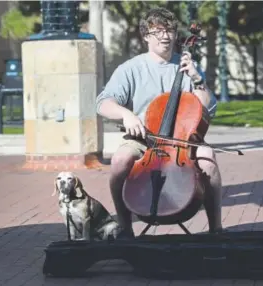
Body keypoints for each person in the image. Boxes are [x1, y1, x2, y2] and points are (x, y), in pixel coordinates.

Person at [95, 7, 223, 237]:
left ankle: (216, 229)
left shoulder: (187, 67)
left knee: (208, 159)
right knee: (119, 161)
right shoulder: (131, 69)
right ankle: (125, 226)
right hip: (144, 139)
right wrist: (126, 114)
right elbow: (103, 103)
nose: (165, 36)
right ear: (146, 36)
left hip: (182, 141)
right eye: (158, 31)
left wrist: (198, 80)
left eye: (170, 30)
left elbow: (208, 109)